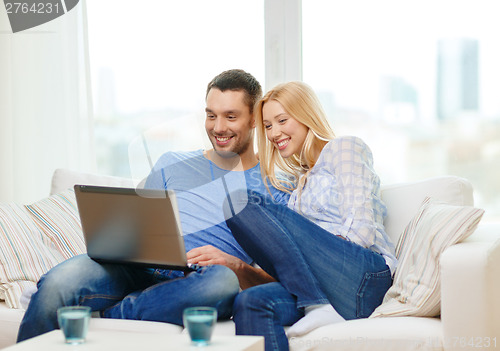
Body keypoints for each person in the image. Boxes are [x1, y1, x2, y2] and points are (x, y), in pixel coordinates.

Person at [17, 69, 288, 342]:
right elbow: (138, 221)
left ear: (254, 119)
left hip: (197, 277)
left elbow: (283, 272)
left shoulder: (275, 186)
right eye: (211, 115)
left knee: (222, 283)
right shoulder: (172, 161)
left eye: (231, 116)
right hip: (133, 267)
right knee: (58, 282)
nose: (218, 127)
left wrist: (238, 266)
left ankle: (117, 312)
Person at [224, 81, 398, 351]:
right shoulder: (299, 186)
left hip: (364, 277)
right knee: (250, 303)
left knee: (241, 201)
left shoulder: (344, 148)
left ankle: (317, 302)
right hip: (324, 286)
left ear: (306, 116)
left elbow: (362, 230)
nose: (274, 132)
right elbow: (290, 258)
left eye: (282, 120)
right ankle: (317, 301)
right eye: (268, 126)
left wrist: (314, 255)